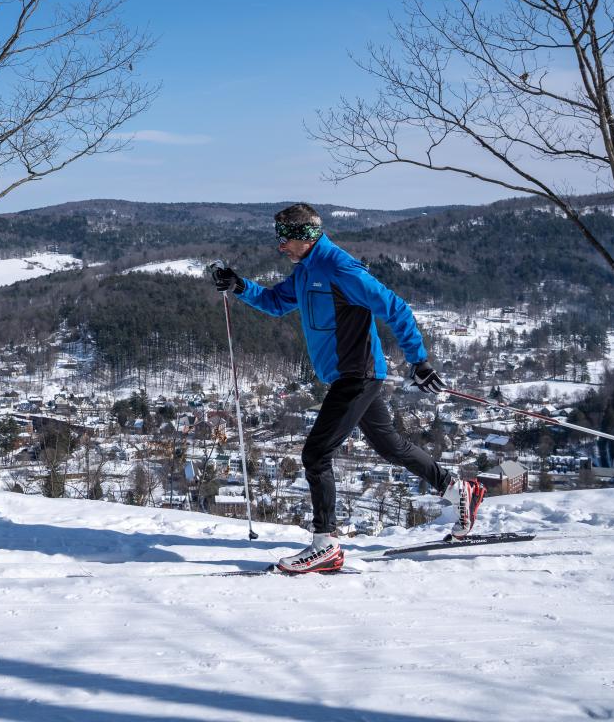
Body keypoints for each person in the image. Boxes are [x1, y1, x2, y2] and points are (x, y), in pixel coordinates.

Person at [207, 203, 483, 574]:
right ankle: (456, 489)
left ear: (305, 237)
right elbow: (275, 303)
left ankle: (325, 545)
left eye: (285, 239)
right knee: (390, 445)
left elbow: (396, 308)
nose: (280, 247)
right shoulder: (305, 271)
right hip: (345, 375)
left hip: (358, 374)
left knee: (315, 453)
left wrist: (420, 361)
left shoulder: (340, 268)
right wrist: (239, 286)